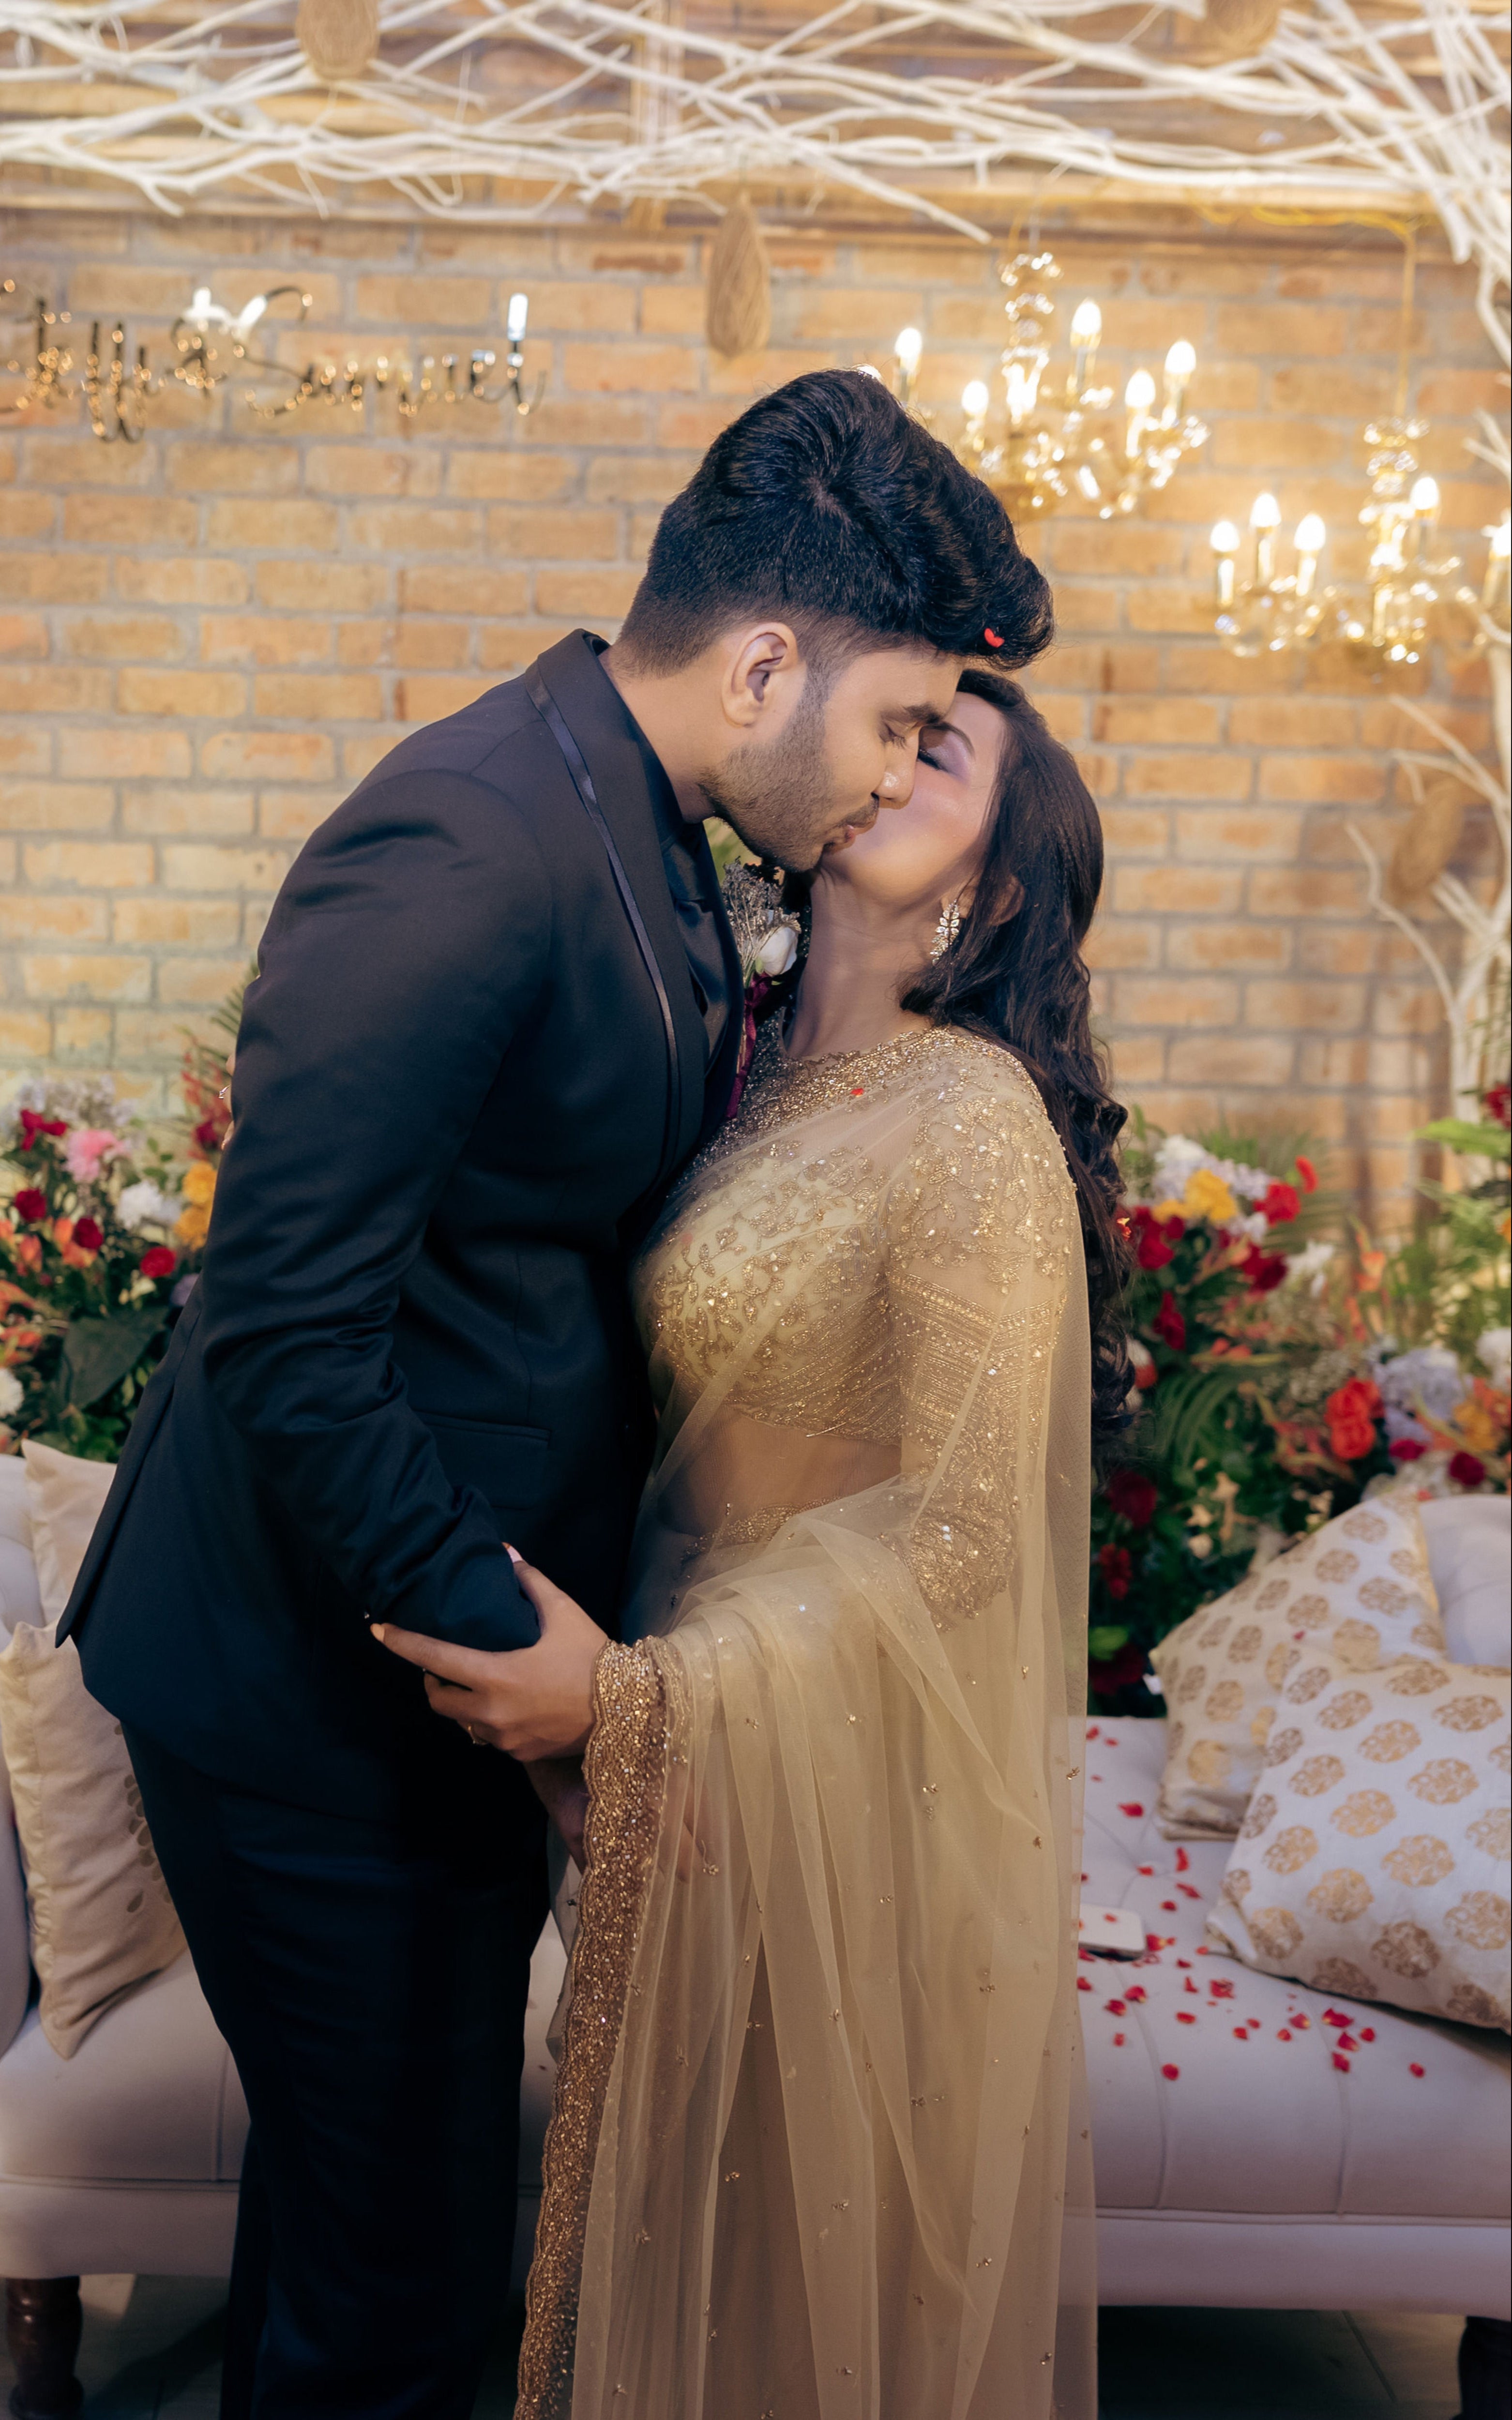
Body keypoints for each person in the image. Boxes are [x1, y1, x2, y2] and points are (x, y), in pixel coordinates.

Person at [59, 369, 1050, 2420]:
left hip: (416, 1685)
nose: (883, 777)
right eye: (887, 719)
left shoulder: (651, 832)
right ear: (766, 659)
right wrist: (543, 1672)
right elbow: (286, 1331)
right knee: (396, 2294)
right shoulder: (467, 832)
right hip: (312, 1696)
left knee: (375, 2244)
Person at [378, 668, 1131, 2418]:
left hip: (808, 1762)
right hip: (669, 1742)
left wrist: (652, 1698)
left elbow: (959, 1531)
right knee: (648, 2247)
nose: (884, 756)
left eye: (934, 752)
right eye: (891, 724)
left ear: (992, 889)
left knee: (765, 2282)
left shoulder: (967, 1126)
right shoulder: (741, 1066)